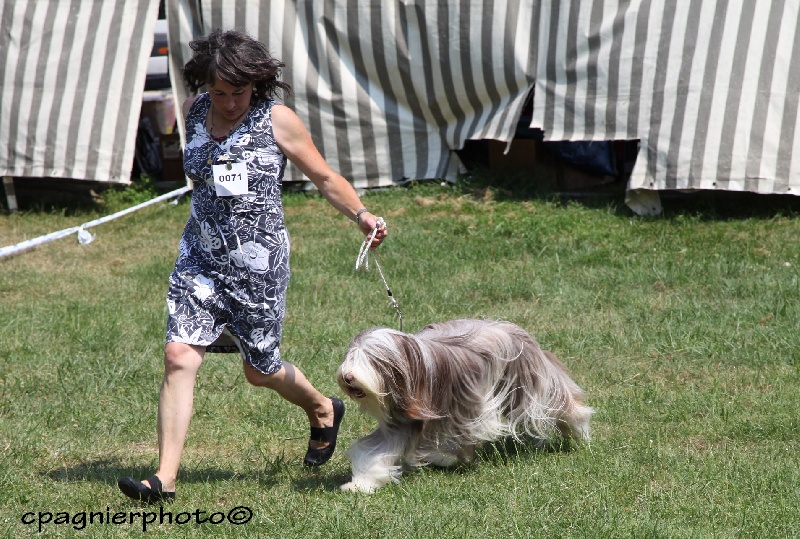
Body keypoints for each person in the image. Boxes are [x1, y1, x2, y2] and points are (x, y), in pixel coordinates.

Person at [118, 29, 387, 503]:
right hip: (200, 255)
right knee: (179, 356)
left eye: (237, 92)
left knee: (259, 370)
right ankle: (163, 480)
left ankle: (324, 409)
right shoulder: (198, 111)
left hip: (256, 266)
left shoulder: (275, 119)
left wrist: (363, 216)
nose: (227, 102)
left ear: (256, 83)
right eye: (218, 91)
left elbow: (323, 177)